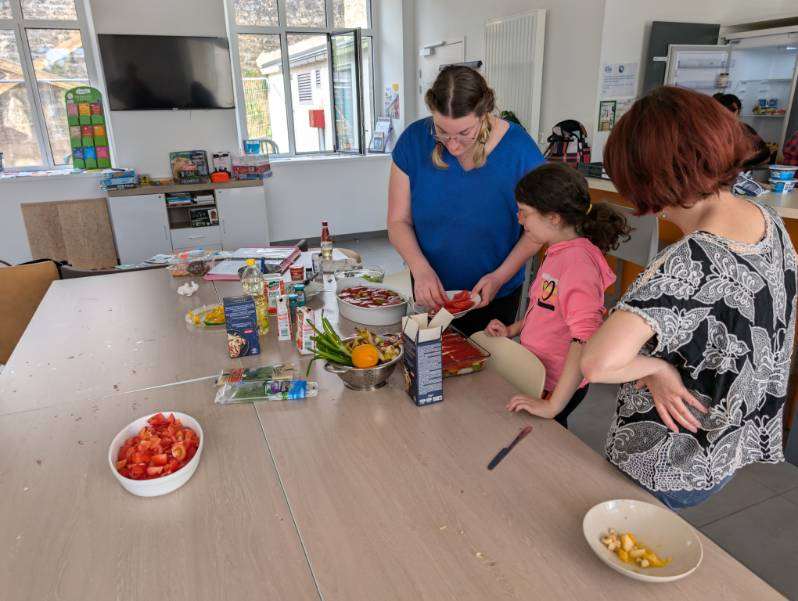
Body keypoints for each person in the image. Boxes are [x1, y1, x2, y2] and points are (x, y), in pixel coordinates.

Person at [581, 86, 797, 509]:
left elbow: (596, 362)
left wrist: (657, 367)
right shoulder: (768, 222)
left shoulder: (690, 261)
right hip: (721, 451)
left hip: (666, 458)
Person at [387, 66, 545, 335]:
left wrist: (500, 276)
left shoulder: (521, 152)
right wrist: (420, 268)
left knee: (487, 372)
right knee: (428, 367)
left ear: (485, 114)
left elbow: (537, 232)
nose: (453, 145)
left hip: (495, 293)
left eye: (464, 133)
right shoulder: (413, 141)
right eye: (442, 132)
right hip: (430, 292)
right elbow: (398, 221)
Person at [485, 162, 629, 428]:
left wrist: (553, 405)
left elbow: (584, 338)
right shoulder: (558, 250)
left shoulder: (577, 264)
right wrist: (511, 330)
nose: (519, 219)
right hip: (540, 371)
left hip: (558, 382)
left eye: (525, 213)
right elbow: (545, 310)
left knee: (546, 438)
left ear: (553, 218)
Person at [712, 92, 770, 166]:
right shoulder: (712, 129)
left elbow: (765, 154)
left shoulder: (744, 130)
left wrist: (742, 163)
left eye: (732, 110)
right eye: (726, 109)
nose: (728, 113)